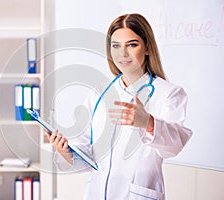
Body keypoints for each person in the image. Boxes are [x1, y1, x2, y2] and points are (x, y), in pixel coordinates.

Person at [47, 13, 193, 200]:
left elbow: (174, 146)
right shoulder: (99, 92)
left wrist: (148, 122)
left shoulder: (169, 93)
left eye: (132, 45)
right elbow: (88, 149)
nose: (122, 54)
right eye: (116, 46)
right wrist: (66, 151)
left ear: (147, 47)